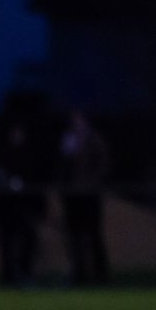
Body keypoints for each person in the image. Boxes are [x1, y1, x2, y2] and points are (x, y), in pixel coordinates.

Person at [0, 119, 43, 287]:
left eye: (19, 134)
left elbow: (34, 178)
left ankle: (25, 273)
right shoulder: (2, 153)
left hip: (23, 206)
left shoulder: (29, 155)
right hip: (6, 207)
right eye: (14, 134)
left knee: (28, 238)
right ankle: (8, 277)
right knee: (6, 242)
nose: (17, 137)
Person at [59, 109, 111, 286]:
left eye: (79, 120)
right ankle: (79, 274)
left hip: (90, 195)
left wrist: (91, 184)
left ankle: (101, 275)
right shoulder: (69, 141)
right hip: (73, 196)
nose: (77, 124)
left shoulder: (94, 140)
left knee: (94, 235)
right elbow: (63, 167)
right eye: (74, 121)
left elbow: (102, 165)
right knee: (75, 236)